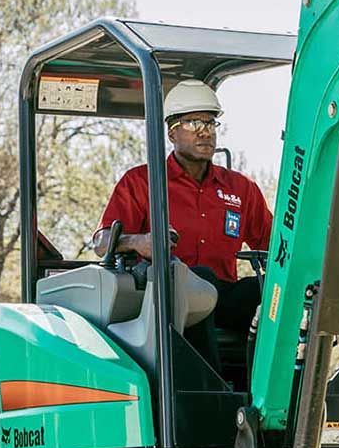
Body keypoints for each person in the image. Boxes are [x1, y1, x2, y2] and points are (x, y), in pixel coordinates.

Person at [93, 80, 273, 368]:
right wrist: (138, 242)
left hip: (221, 293)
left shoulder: (240, 188)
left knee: (270, 289)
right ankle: (208, 391)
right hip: (162, 297)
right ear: (172, 131)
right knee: (197, 278)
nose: (205, 132)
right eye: (193, 123)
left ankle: (270, 393)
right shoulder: (142, 181)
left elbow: (274, 247)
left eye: (211, 123)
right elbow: (101, 242)